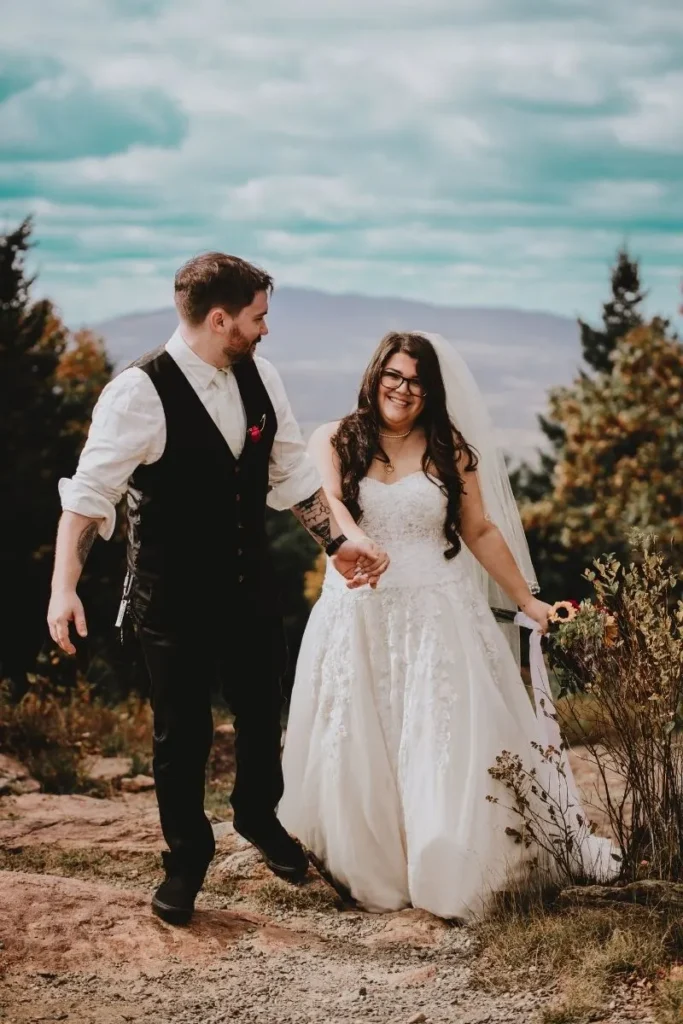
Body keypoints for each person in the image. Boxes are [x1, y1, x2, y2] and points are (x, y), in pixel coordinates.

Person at [47, 253, 389, 926]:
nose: (266, 330)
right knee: (184, 732)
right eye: (259, 318)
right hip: (169, 596)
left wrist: (337, 544)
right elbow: (88, 501)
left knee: (263, 710)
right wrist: (64, 587)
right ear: (219, 318)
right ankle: (185, 861)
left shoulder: (261, 376)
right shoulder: (136, 393)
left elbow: (290, 476)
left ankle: (257, 817)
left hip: (249, 584)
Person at [279, 330, 616, 919]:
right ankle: (372, 868)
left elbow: (480, 530)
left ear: (430, 390)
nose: (402, 389)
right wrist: (354, 539)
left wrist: (527, 600)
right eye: (394, 375)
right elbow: (327, 501)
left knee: (439, 739)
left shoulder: (448, 450)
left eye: (415, 380)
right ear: (375, 373)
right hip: (357, 611)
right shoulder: (334, 438)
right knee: (361, 737)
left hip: (437, 614)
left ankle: (443, 861)